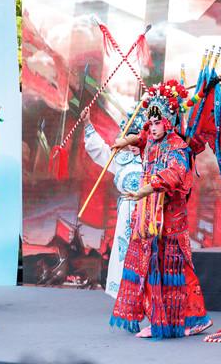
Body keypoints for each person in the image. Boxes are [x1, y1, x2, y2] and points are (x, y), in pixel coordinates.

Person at [109, 81, 212, 338]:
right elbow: (142, 138)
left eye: (157, 123)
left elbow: (175, 174)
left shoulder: (177, 147)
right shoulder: (152, 141)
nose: (152, 127)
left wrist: (146, 189)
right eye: (150, 122)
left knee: (177, 269)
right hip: (149, 217)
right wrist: (125, 141)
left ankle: (195, 318)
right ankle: (158, 318)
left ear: (167, 122)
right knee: (149, 265)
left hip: (170, 219)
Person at [80, 106, 144, 298]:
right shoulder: (121, 158)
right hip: (126, 211)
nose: (133, 145)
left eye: (137, 139)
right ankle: (124, 294)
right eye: (129, 139)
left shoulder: (153, 159)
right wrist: (87, 123)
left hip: (147, 211)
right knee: (124, 250)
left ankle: (146, 294)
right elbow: (99, 150)